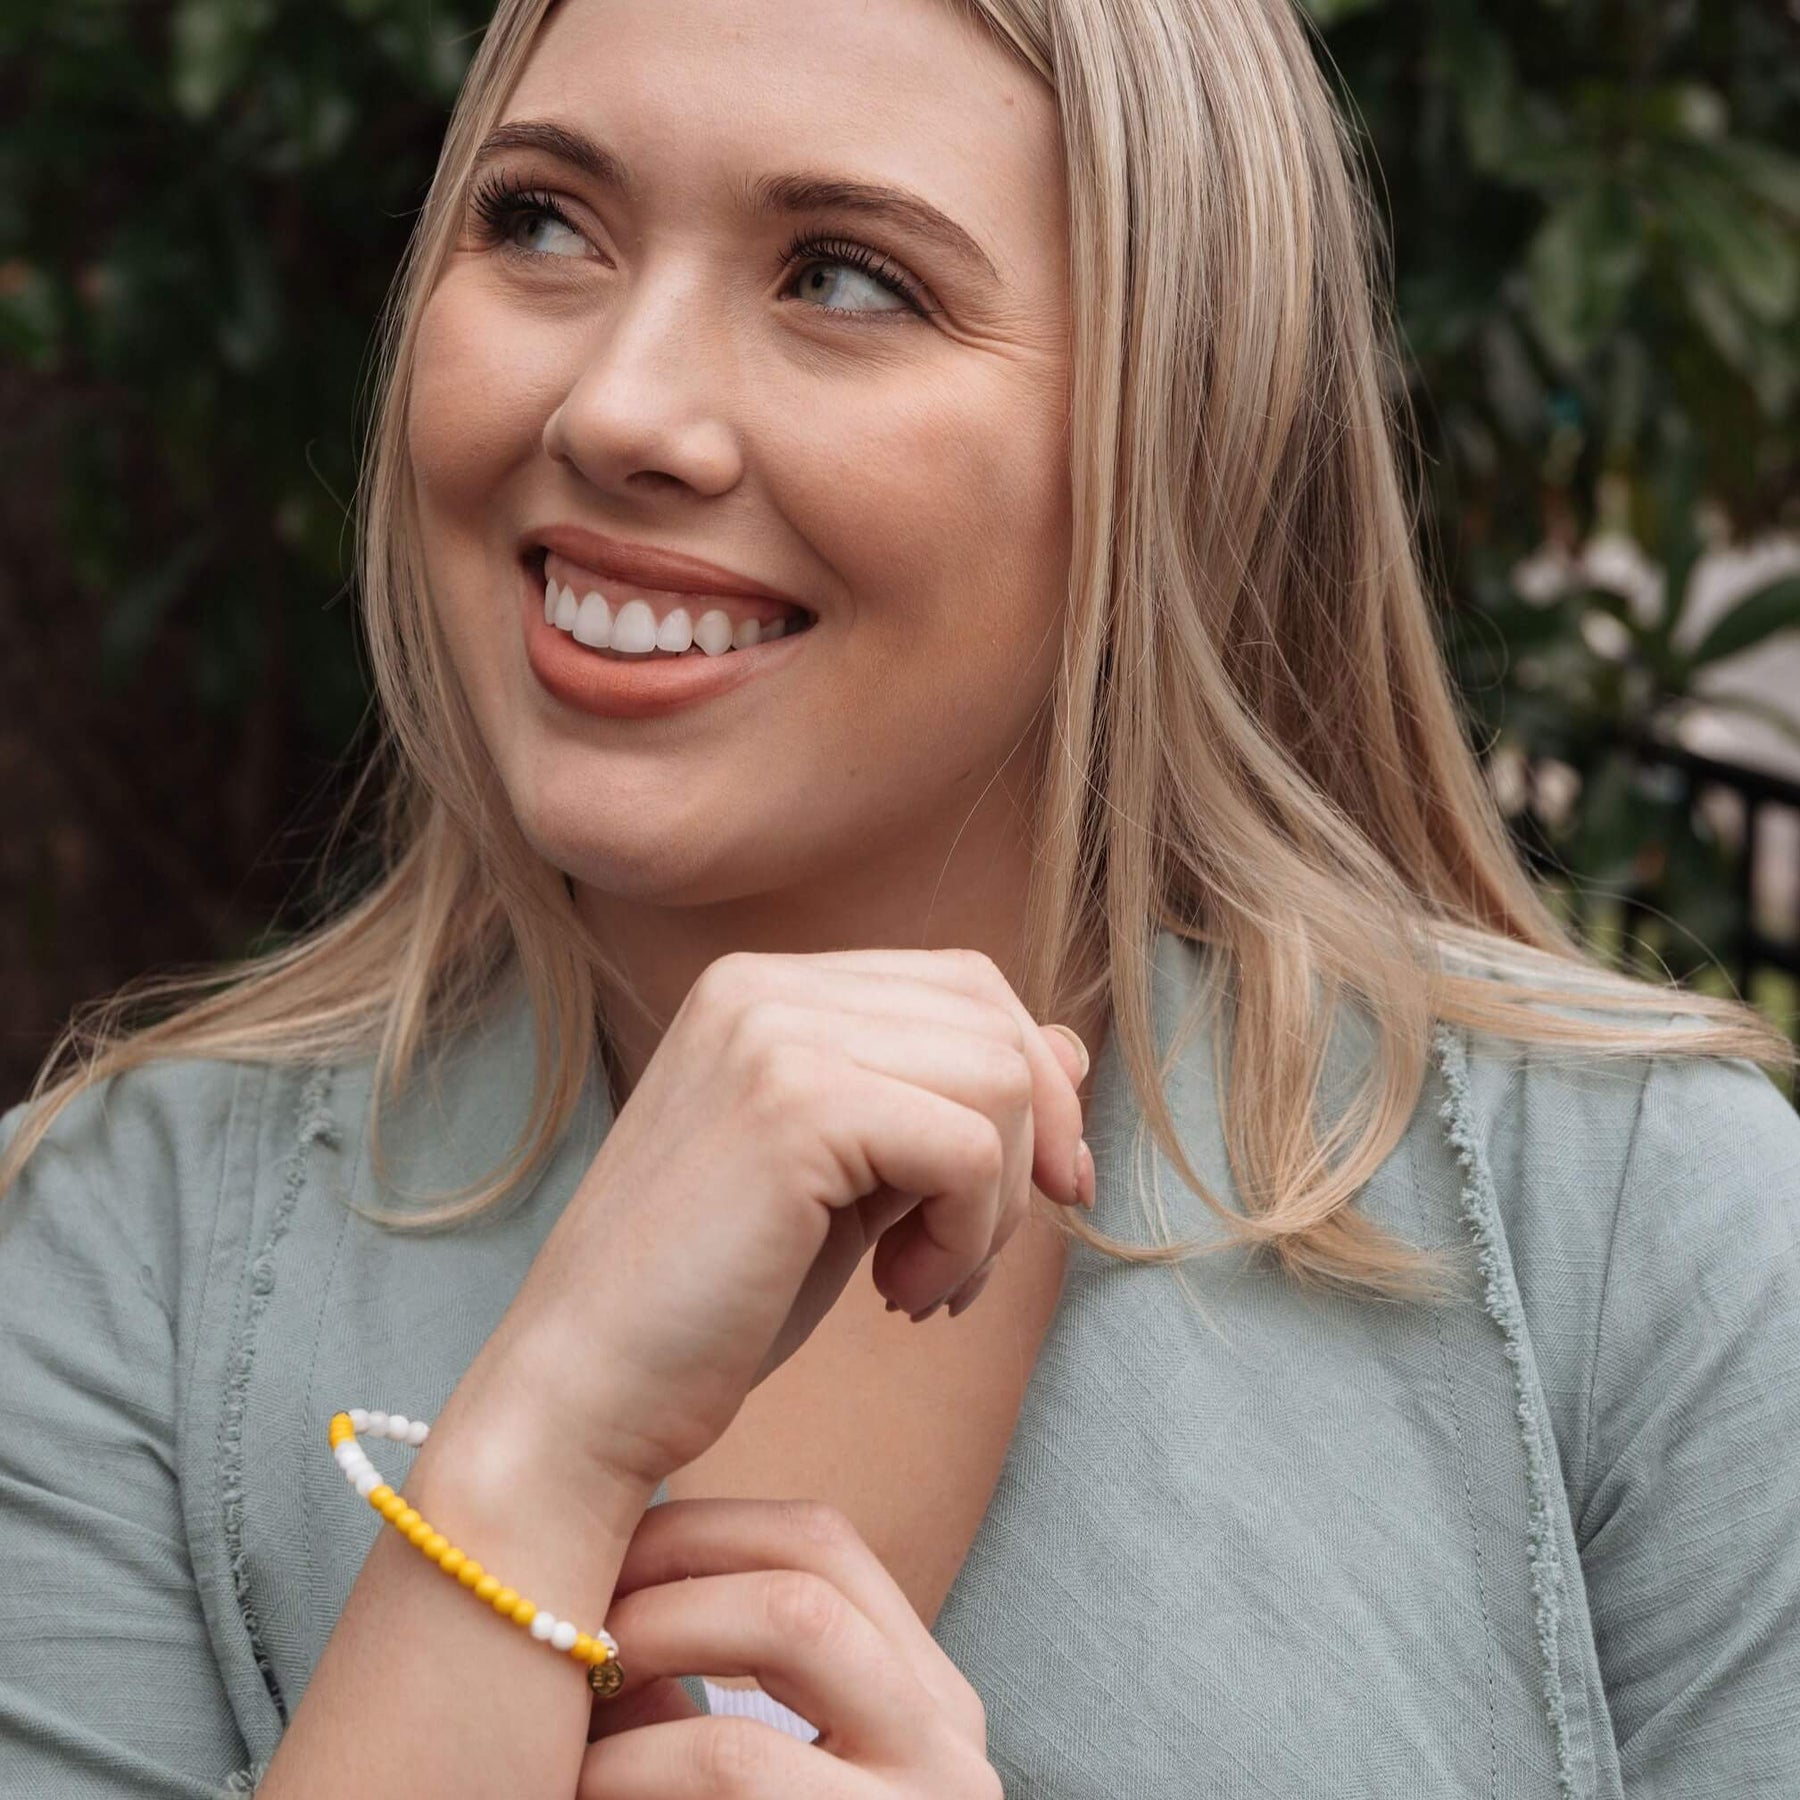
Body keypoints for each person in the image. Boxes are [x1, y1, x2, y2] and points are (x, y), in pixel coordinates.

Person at [3, 0, 1797, 1794]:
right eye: (541, 221)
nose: (619, 406)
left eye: (847, 278)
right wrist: (528, 1454)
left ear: (1175, 425)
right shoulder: (111, 1264)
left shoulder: (1656, 1236)